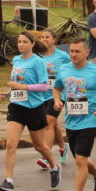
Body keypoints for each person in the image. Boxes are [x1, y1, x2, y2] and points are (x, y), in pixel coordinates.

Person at [52, 40, 96, 191]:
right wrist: (57, 100)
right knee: (82, 159)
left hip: (90, 120)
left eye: (77, 51)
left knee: (80, 161)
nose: (73, 54)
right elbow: (57, 88)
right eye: (71, 51)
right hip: (71, 122)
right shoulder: (64, 69)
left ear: (87, 53)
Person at [0, 32, 58, 191]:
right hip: (16, 106)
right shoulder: (16, 60)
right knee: (11, 144)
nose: (21, 44)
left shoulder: (38, 62)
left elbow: (44, 86)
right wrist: (8, 93)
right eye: (19, 42)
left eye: (24, 42)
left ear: (32, 44)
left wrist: (23, 88)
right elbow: (18, 83)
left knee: (39, 146)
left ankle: (53, 167)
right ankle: (8, 180)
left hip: (34, 108)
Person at [37, 29, 71, 166]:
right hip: (43, 95)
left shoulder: (62, 56)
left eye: (47, 37)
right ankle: (63, 147)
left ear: (54, 40)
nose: (44, 39)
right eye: (42, 37)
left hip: (58, 94)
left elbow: (72, 67)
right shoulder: (38, 56)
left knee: (49, 122)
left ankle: (46, 156)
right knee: (53, 123)